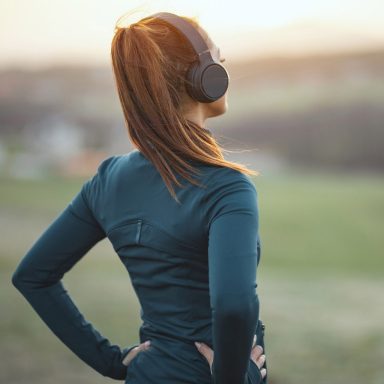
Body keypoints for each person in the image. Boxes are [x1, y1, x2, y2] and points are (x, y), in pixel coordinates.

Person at [11, 10, 268, 384]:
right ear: (204, 78)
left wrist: (111, 362)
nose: (222, 65)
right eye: (216, 57)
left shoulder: (107, 179)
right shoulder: (228, 187)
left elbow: (33, 276)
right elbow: (232, 306)